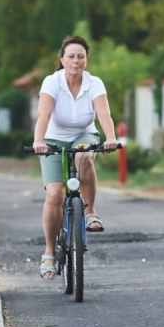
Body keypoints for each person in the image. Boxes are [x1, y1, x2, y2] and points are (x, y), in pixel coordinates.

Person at [33, 34, 117, 280]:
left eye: (81, 56)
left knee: (83, 157)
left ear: (86, 60)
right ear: (62, 59)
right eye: (71, 56)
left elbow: (104, 112)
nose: (76, 61)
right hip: (53, 139)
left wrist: (109, 137)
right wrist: (39, 141)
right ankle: (49, 252)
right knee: (55, 194)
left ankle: (90, 211)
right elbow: (43, 115)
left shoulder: (94, 83)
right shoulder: (52, 82)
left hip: (84, 134)